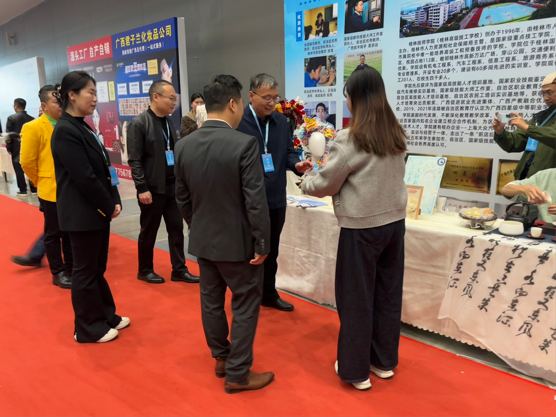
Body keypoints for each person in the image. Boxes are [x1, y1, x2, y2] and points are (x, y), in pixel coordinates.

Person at [302, 67, 408, 390]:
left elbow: (326, 184)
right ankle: (382, 361)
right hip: (395, 225)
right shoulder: (395, 132)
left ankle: (355, 370)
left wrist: (306, 181)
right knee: (387, 294)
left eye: (347, 94)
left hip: (362, 228)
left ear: (355, 98)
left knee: (356, 298)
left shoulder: (350, 138)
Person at [175, 74, 274, 394]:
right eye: (241, 102)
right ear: (233, 103)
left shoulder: (184, 145)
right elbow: (255, 200)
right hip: (238, 244)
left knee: (211, 301)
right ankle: (238, 373)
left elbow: (182, 198)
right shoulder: (244, 143)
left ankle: (222, 357)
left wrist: (197, 225)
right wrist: (262, 242)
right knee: (245, 303)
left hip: (204, 240)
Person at [51, 71, 128, 343]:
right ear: (72, 95)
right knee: (84, 271)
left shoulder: (82, 126)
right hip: (81, 213)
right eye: (91, 92)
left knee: (96, 268)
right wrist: (107, 205)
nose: (95, 98)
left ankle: (105, 315)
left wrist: (114, 198)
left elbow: (104, 169)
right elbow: (84, 177)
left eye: (96, 93)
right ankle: (86, 328)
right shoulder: (65, 130)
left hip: (95, 211)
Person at [237, 74, 313, 312]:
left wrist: (296, 164)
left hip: (276, 198)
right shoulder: (239, 122)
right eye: (266, 97)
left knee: (271, 248)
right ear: (251, 96)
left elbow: (289, 152)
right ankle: (247, 295)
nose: (272, 102)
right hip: (248, 200)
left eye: (275, 97)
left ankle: (268, 293)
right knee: (248, 250)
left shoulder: (281, 121)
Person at [127, 80, 199, 285]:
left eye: (175, 99)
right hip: (152, 188)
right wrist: (142, 188)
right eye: (171, 98)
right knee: (149, 230)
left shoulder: (168, 122)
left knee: (176, 229)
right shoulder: (139, 123)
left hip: (172, 186)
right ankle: (145, 269)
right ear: (156, 97)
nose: (174, 102)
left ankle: (179, 269)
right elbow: (135, 159)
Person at [20, 84, 73, 289]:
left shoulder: (70, 123)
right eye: (55, 101)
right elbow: (27, 162)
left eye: (62, 100)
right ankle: (58, 272)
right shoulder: (33, 127)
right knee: (53, 233)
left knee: (70, 232)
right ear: (44, 105)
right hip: (50, 190)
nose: (60, 104)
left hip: (71, 189)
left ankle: (71, 268)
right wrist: (40, 181)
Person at [493, 72, 556, 181]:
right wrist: (501, 132)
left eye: (549, 93)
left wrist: (528, 128)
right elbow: (515, 143)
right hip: (527, 182)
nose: (545, 98)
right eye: (543, 93)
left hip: (549, 185)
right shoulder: (541, 117)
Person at [6, 98, 36, 197]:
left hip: (16, 147)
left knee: (18, 168)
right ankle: (34, 188)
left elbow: (9, 135)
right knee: (31, 166)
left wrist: (9, 147)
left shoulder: (11, 118)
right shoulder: (32, 118)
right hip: (30, 146)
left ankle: (23, 190)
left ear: (15, 106)